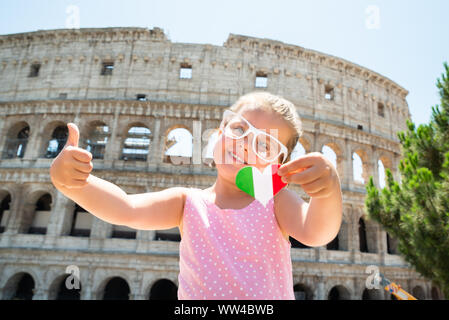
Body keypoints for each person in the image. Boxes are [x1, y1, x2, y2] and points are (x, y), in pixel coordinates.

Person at [50, 91, 342, 300]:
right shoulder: (187, 202)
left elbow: (316, 232)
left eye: (264, 145)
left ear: (277, 166)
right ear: (218, 132)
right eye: (239, 128)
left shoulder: (274, 201)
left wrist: (327, 192)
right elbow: (126, 208)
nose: (244, 144)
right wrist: (75, 184)